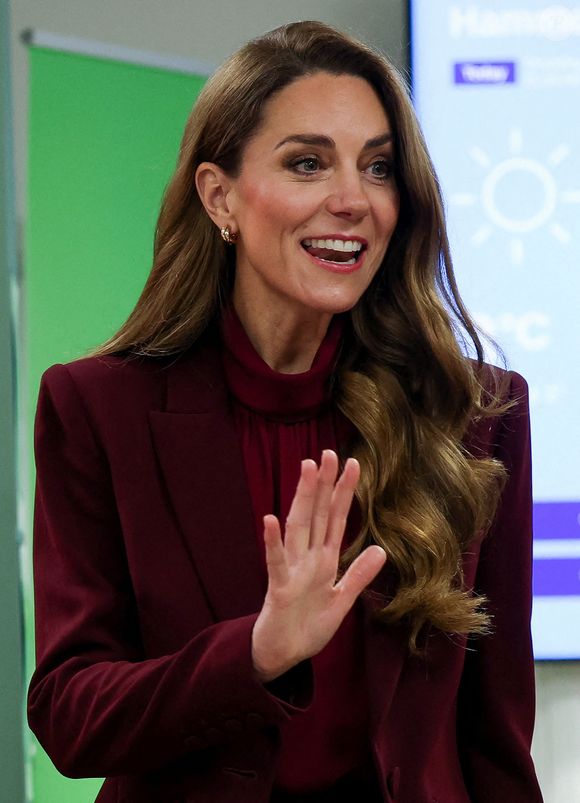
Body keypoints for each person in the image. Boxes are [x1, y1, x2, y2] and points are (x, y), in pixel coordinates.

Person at [28, 20, 544, 803]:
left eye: (378, 168)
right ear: (220, 196)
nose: (353, 200)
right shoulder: (99, 408)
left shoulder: (473, 412)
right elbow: (70, 713)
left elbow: (496, 735)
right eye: (308, 163)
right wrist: (256, 653)